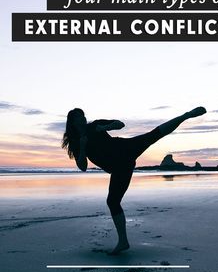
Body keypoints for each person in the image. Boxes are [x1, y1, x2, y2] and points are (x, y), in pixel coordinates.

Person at [62, 106, 206, 254]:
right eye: (79, 117)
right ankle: (123, 242)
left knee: (153, 135)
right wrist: (83, 147)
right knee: (112, 201)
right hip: (120, 167)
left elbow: (120, 124)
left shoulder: (95, 125)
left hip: (125, 149)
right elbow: (83, 167)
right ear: (72, 122)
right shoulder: (75, 142)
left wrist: (104, 127)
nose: (83, 118)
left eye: (83, 115)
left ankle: (186, 115)